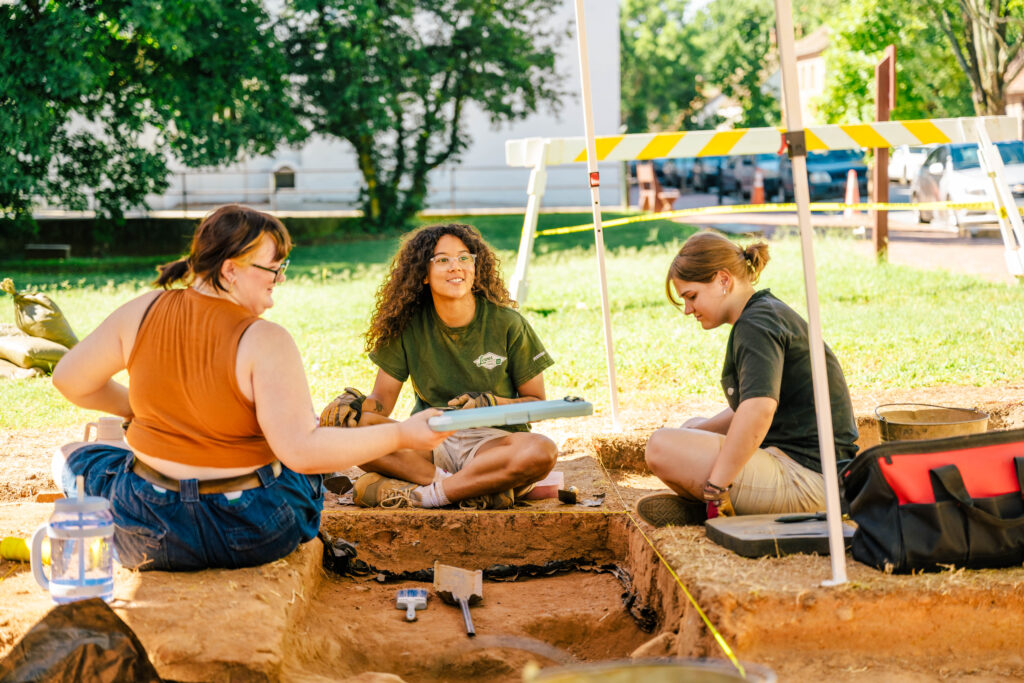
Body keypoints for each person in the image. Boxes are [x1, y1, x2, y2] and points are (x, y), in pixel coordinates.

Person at [50, 205, 452, 571]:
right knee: (297, 469)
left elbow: (70, 380)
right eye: (273, 268)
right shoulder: (265, 339)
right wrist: (401, 432)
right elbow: (303, 452)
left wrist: (134, 410)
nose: (280, 277)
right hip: (250, 533)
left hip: (150, 534)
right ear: (230, 270)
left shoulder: (143, 310)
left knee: (72, 458)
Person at [319, 223, 558, 510]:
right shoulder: (406, 326)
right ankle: (468, 488)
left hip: (493, 444)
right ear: (423, 274)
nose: (455, 267)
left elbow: (536, 401)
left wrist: (491, 403)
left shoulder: (508, 323)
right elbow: (381, 402)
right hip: (430, 440)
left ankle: (427, 493)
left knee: (542, 450)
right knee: (349, 429)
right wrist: (353, 406)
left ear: (475, 268)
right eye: (442, 260)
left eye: (464, 258)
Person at [636, 231, 859, 527]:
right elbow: (747, 409)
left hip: (811, 481)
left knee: (660, 446)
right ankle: (720, 505)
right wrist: (694, 432)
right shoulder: (762, 313)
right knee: (688, 429)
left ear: (723, 280)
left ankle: (714, 504)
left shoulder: (756, 324)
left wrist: (717, 486)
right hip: (816, 474)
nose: (688, 310)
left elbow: (758, 410)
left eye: (691, 296)